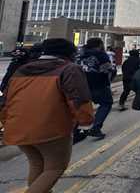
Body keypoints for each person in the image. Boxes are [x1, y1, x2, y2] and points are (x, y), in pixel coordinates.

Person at [0, 38, 94, 193]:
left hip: (17, 127)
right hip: (50, 129)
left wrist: (7, 122)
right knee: (55, 168)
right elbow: (79, 99)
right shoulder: (69, 69)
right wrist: (85, 123)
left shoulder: (22, 69)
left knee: (37, 164)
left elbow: (5, 100)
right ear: (70, 53)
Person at [79, 37, 115, 139]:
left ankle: (76, 128)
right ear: (99, 45)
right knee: (106, 103)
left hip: (81, 84)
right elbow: (107, 69)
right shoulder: (101, 55)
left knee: (80, 105)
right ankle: (96, 128)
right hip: (98, 84)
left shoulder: (80, 54)